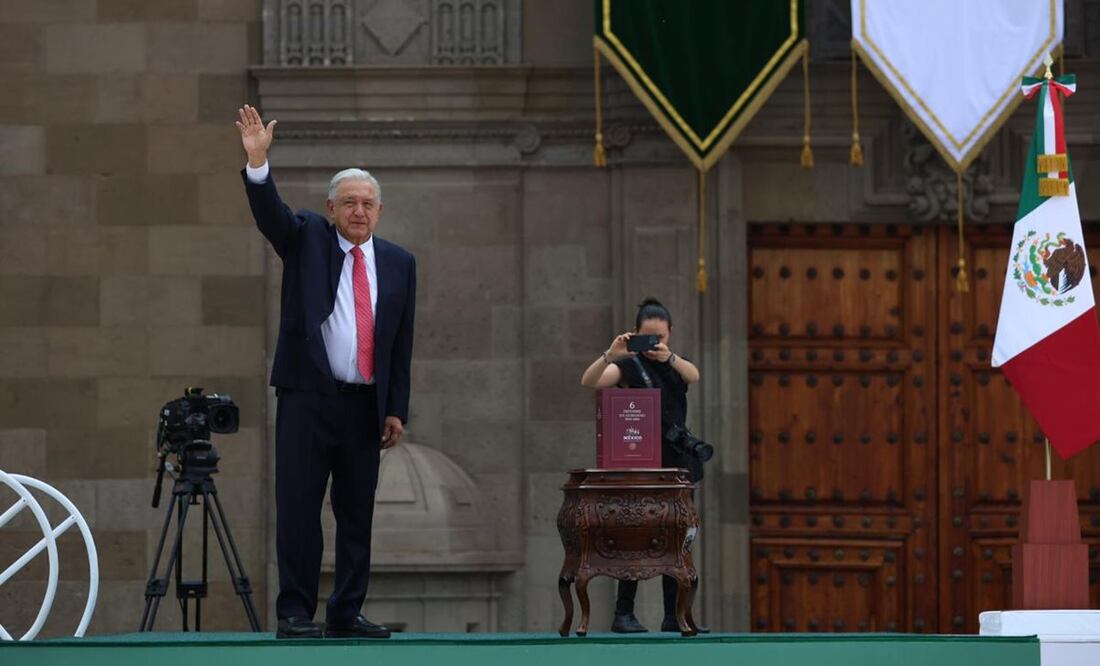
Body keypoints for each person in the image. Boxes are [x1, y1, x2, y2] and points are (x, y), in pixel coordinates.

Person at [236, 105, 416, 639]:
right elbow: (270, 213)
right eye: (349, 204)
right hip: (307, 397)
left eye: (367, 204)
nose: (358, 212)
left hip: (364, 404)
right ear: (330, 208)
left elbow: (400, 343)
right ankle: (295, 611)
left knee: (356, 514)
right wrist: (257, 163)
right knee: (298, 507)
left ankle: (346, 611)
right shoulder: (307, 237)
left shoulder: (400, 263)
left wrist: (394, 408)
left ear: (380, 211)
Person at [579, 297, 708, 634]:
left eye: (661, 338)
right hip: (639, 463)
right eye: (647, 338)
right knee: (634, 536)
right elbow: (591, 381)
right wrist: (612, 353)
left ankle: (674, 615)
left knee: (678, 540)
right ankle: (624, 614)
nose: (655, 345)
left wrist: (671, 357)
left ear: (670, 335)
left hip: (676, 465)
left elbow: (694, 375)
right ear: (634, 335)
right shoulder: (630, 366)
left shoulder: (677, 366)